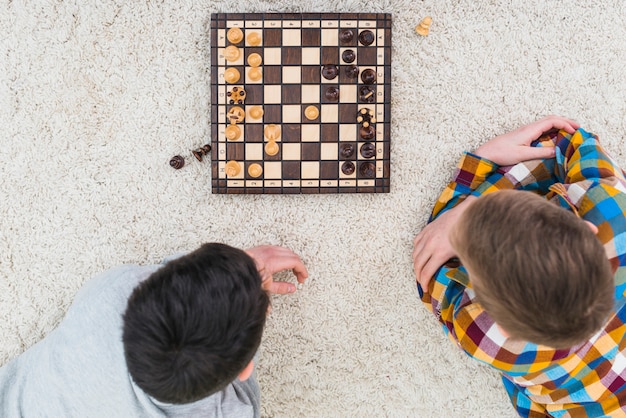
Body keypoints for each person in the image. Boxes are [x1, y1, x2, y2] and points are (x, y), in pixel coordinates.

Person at [412, 116, 626, 417]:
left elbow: (429, 267)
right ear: (588, 229)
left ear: (498, 324)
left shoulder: (482, 334)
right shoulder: (610, 206)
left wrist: (481, 162)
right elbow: (574, 141)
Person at [0, 243, 308, 417]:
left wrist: (241, 268)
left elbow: (169, 274)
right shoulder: (228, 412)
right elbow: (248, 397)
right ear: (245, 370)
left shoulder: (111, 290)